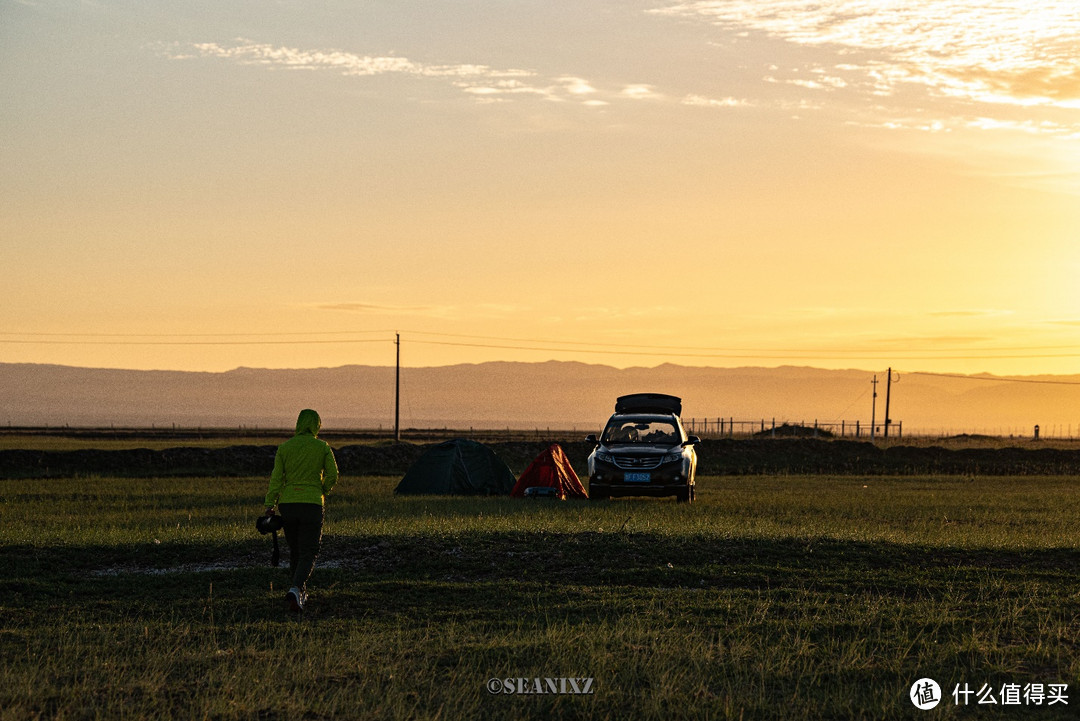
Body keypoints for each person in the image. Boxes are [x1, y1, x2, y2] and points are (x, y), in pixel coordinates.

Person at [264, 408, 339, 613]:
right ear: (317, 425)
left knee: (295, 550)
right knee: (310, 551)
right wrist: (321, 490)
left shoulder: (285, 448)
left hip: (288, 505)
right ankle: (296, 589)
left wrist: (270, 504)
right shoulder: (322, 447)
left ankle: (298, 593)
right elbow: (333, 474)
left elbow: (276, 478)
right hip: (312, 504)